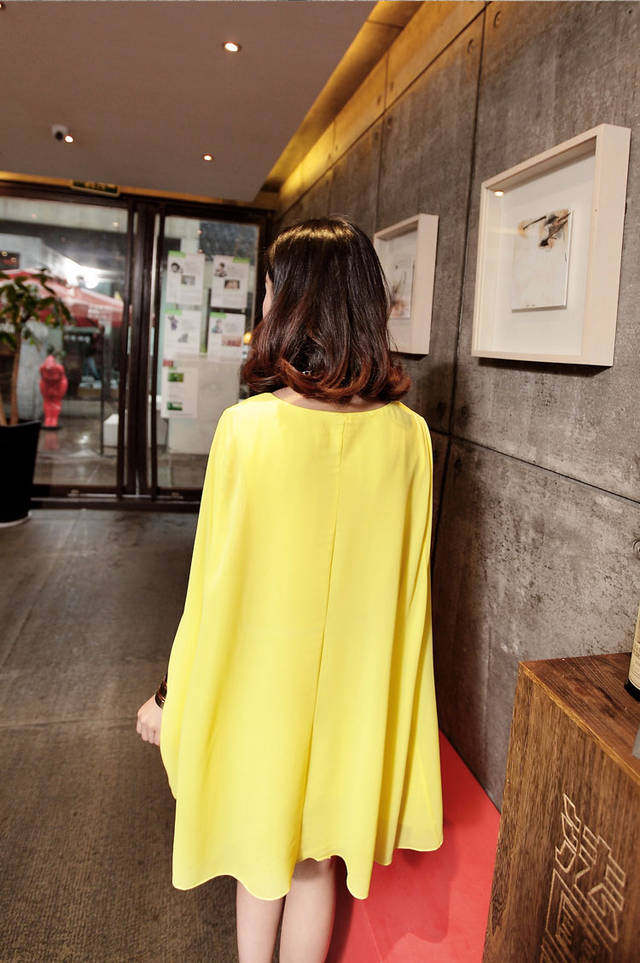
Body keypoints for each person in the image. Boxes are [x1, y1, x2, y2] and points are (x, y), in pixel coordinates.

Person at [136, 215, 443, 962]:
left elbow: (213, 588)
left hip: (264, 690)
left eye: (272, 287)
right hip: (355, 695)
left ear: (295, 301)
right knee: (316, 860)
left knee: (262, 857)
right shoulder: (410, 438)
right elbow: (411, 596)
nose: (265, 301)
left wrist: (171, 697)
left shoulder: (248, 430)